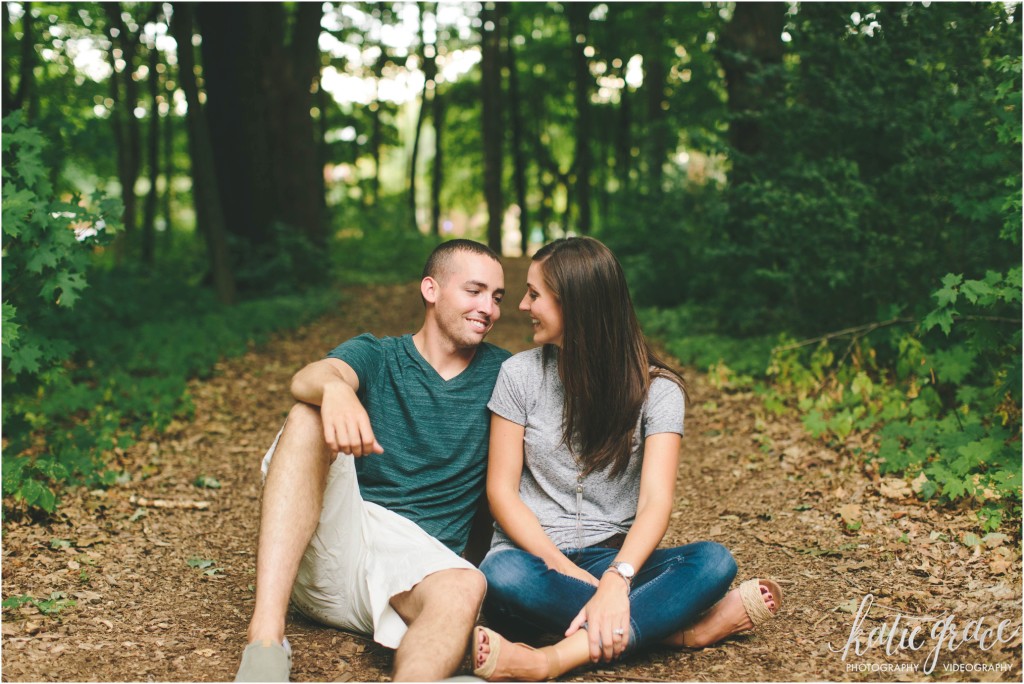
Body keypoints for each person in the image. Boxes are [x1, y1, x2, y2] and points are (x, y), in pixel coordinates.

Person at [471, 237, 783, 681]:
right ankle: (681, 633)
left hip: (612, 557)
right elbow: (500, 491)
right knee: (500, 573)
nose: (523, 306)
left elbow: (656, 501)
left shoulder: (659, 392)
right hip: (535, 562)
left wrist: (618, 578)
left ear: (576, 304)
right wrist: (576, 577)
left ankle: (552, 659)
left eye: (534, 294)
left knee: (714, 562)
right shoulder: (518, 375)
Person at [234, 239, 510, 682]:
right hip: (337, 549)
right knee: (308, 414)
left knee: (466, 585)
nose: (489, 308)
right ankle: (265, 642)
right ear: (431, 289)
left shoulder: (505, 375)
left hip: (416, 575)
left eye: (497, 298)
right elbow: (308, 377)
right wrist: (338, 390)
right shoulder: (378, 356)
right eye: (474, 291)